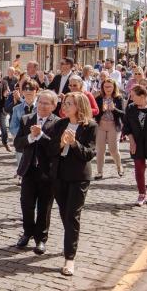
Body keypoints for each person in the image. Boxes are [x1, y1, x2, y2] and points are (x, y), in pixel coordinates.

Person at [52, 93, 96, 276]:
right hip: (60, 175)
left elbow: (89, 153)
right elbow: (51, 149)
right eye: (64, 103)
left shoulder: (90, 126)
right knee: (64, 213)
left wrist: (74, 143)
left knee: (72, 215)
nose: (65, 106)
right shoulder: (60, 124)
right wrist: (61, 144)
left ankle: (69, 258)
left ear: (80, 106)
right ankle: (70, 240)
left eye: (69, 104)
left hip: (78, 177)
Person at [14, 90, 60, 255]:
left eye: (46, 103)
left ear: (54, 106)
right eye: (40, 102)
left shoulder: (58, 123)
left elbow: (55, 148)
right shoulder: (27, 119)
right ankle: (27, 232)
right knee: (26, 204)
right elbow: (18, 143)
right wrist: (30, 138)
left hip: (47, 172)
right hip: (28, 170)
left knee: (44, 207)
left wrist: (41, 136)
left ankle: (41, 238)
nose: (42, 106)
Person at [92, 78, 125, 179]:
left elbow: (123, 114)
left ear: (114, 87)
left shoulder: (119, 98)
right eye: (105, 86)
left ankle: (119, 167)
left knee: (113, 149)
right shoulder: (98, 98)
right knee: (100, 149)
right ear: (102, 87)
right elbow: (96, 113)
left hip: (113, 126)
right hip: (101, 125)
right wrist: (102, 110)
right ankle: (99, 172)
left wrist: (114, 109)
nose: (108, 88)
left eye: (110, 86)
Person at [8, 80, 39, 181]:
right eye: (25, 89)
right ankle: (22, 176)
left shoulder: (41, 106)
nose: (28, 91)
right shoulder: (17, 108)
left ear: (36, 91)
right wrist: (23, 137)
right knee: (22, 161)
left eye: (31, 89)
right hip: (22, 140)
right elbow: (13, 126)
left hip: (38, 139)